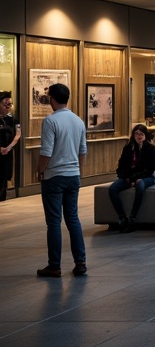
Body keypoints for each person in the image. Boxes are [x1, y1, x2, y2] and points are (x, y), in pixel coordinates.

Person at [36, 83, 87, 277]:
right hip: (73, 175)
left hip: (54, 176)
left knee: (54, 222)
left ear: (51, 99)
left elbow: (46, 152)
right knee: (73, 219)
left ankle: (54, 265)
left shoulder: (50, 121)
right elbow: (83, 151)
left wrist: (40, 170)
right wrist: (78, 171)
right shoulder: (78, 120)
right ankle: (80, 262)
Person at [108, 123, 155, 232]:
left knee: (140, 185)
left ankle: (132, 217)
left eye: (141, 134)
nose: (139, 136)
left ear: (145, 135)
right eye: (136, 134)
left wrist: (135, 178)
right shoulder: (128, 148)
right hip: (129, 177)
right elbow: (121, 166)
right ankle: (122, 217)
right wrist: (126, 178)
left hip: (146, 177)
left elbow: (150, 168)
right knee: (112, 189)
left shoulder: (150, 148)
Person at [0, 91, 20, 202]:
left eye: (10, 104)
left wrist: (9, 147)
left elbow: (18, 134)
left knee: (5, 175)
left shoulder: (13, 119)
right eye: (5, 105)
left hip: (7, 151)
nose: (8, 107)